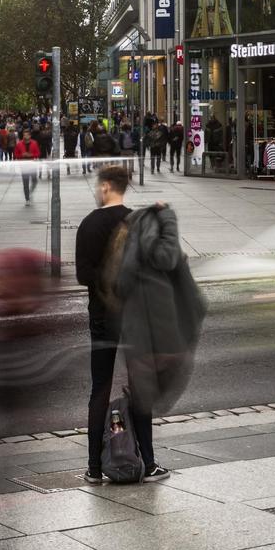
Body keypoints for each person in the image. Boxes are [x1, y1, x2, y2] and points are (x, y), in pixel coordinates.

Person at [75, 166, 169, 483]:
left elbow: (82, 275)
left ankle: (93, 467)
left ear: (105, 187)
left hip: (102, 318)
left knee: (99, 389)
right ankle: (150, 462)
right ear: (124, 188)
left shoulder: (88, 225)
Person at [15, 128, 42, 204]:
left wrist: (31, 155)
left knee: (35, 180)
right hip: (23, 165)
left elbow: (38, 153)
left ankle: (30, 192)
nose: (25, 136)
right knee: (25, 183)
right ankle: (27, 199)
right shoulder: (19, 144)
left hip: (32, 164)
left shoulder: (34, 143)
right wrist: (22, 155)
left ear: (30, 136)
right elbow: (16, 154)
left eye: (27, 135)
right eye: (24, 135)